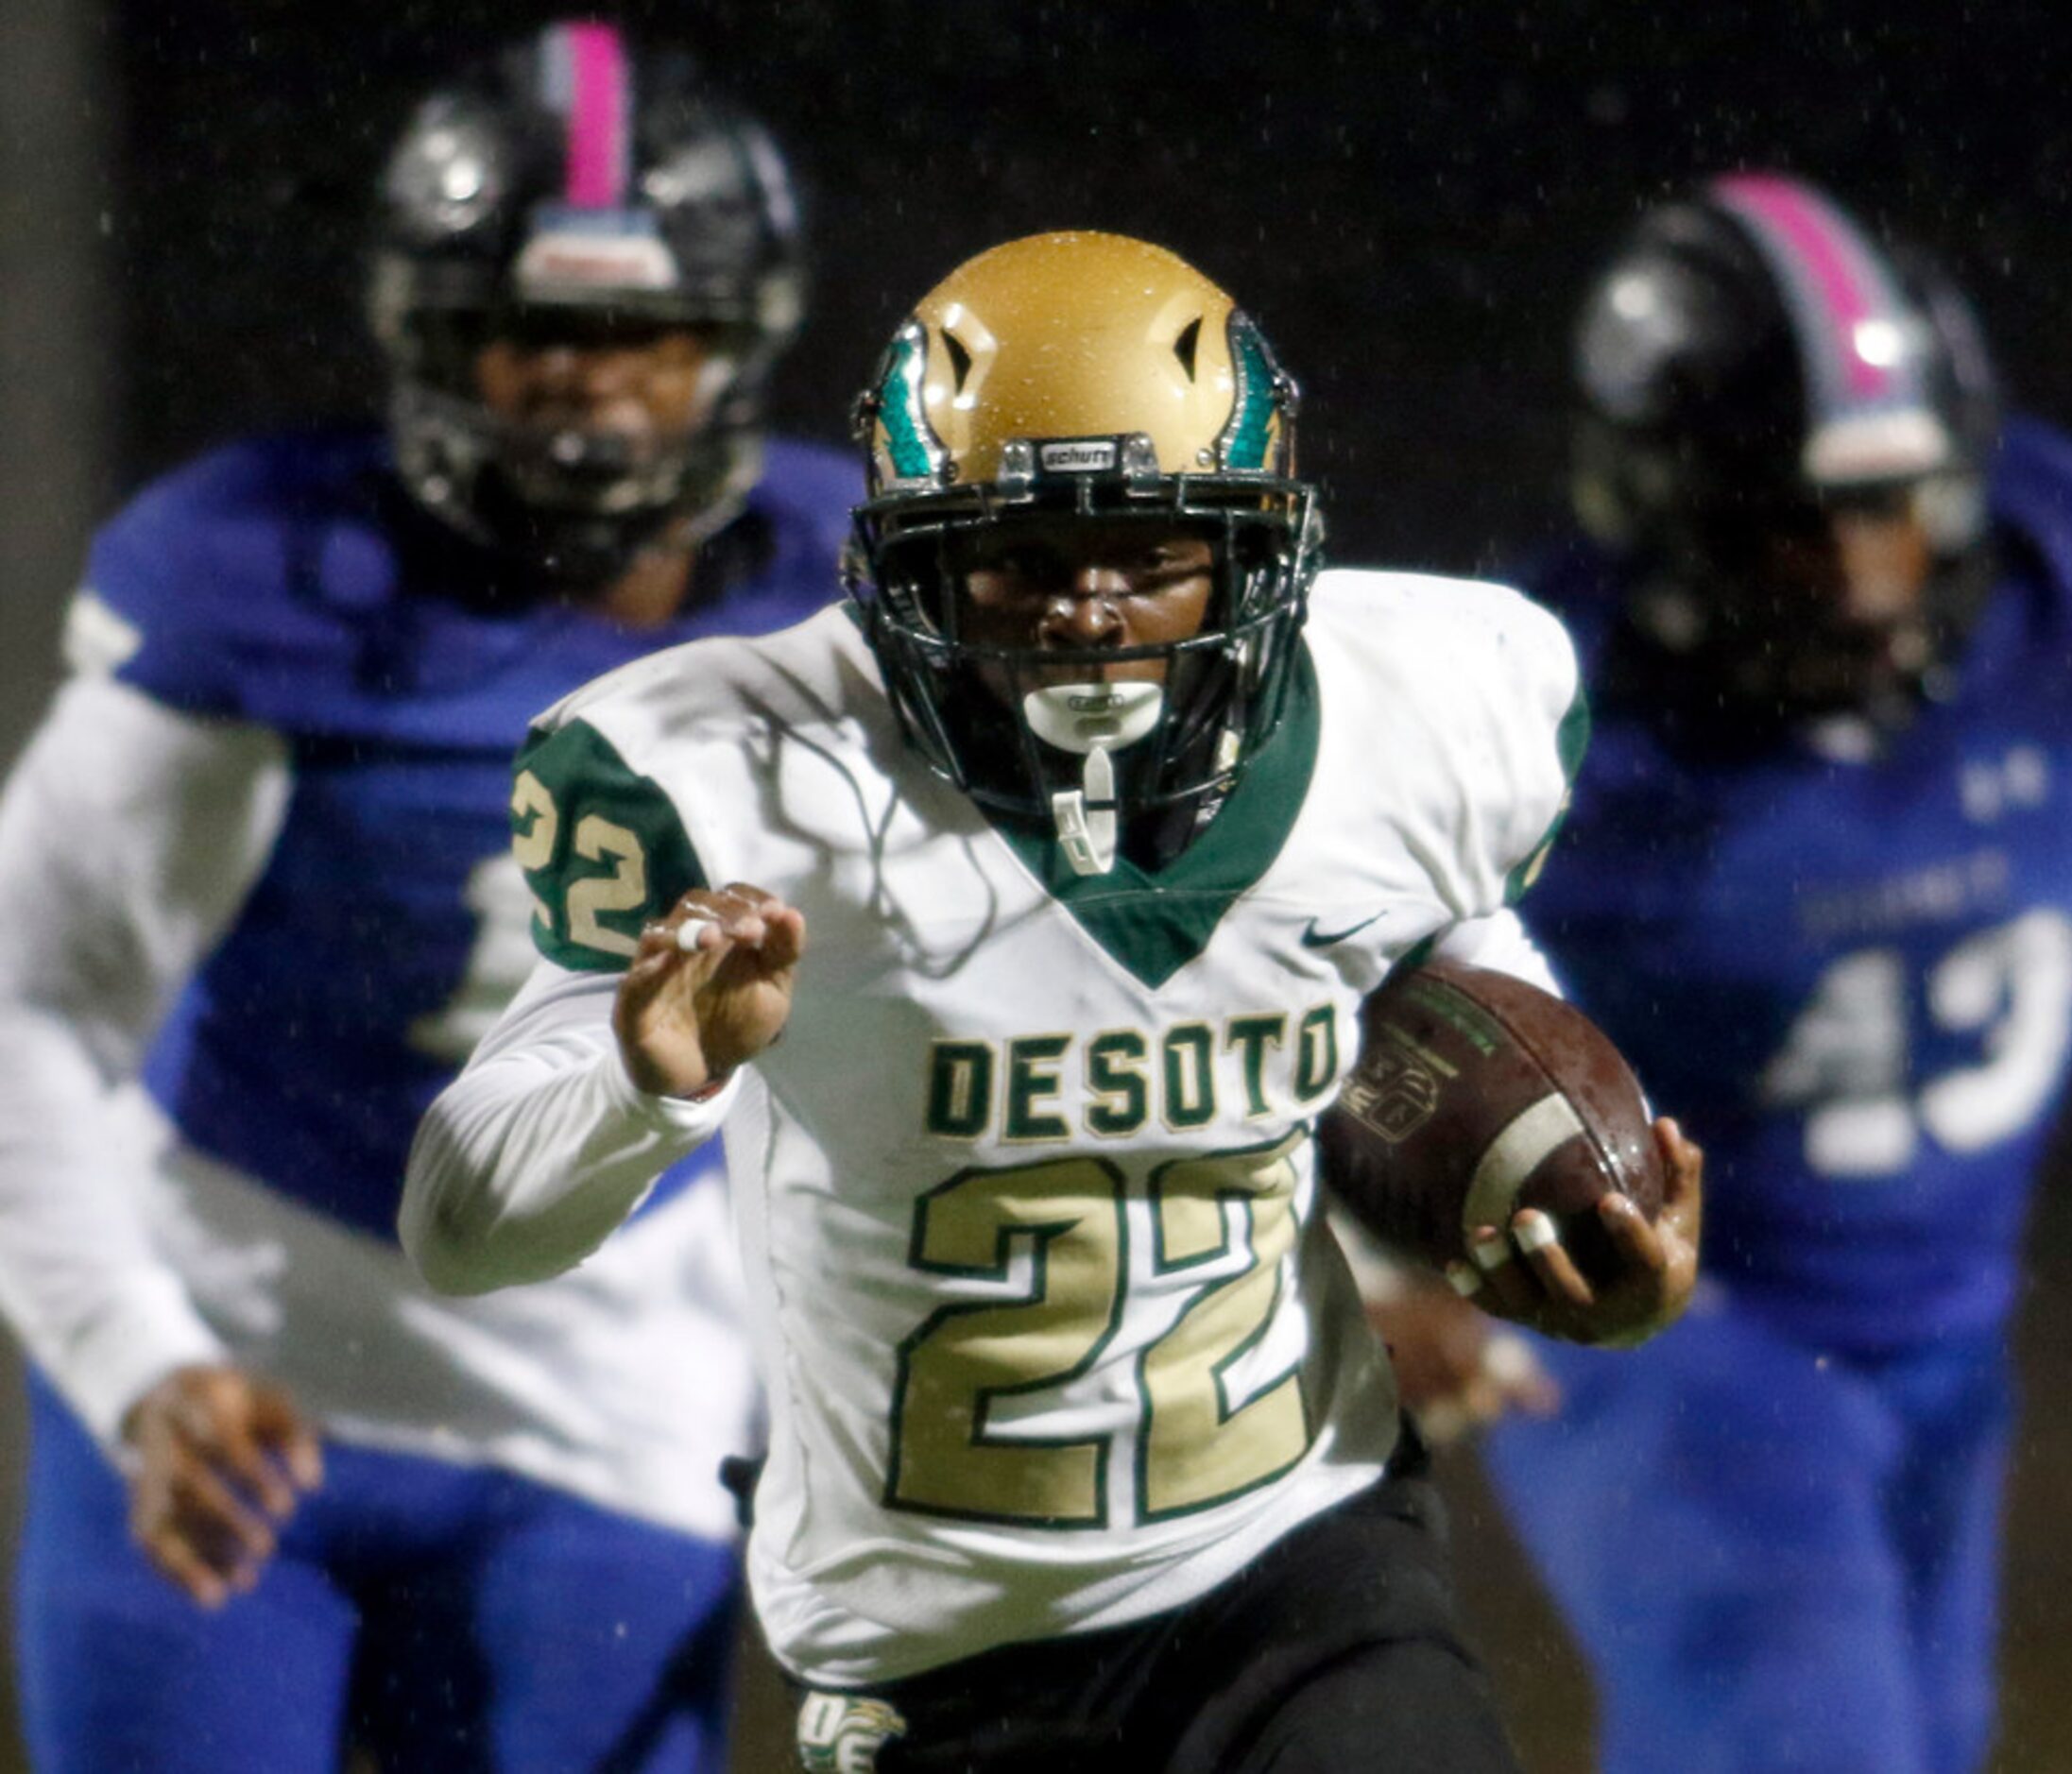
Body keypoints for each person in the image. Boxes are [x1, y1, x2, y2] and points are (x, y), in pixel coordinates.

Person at [400, 227, 1704, 1774]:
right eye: (1019, 558)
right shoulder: (741, 783)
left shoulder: (1422, 709)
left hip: (1301, 1560)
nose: (1088, 614)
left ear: (1256, 549)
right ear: (906, 562)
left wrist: (1550, 1194)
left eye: (1150, 552)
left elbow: (1427, 945)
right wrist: (642, 1088)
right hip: (938, 1648)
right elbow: (459, 1227)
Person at [0, 21, 858, 1771]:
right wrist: (130, 1359)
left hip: (610, 1407)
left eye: (642, 332)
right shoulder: (268, 580)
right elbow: (30, 1003)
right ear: (434, 336)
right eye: (533, 331)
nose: (588, 388)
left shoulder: (847, 604)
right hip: (238, 1355)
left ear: (739, 342)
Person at [1480, 171, 2072, 1774]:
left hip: (1946, 1324)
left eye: (1890, 505)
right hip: (1663, 1309)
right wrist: (1388, 1262)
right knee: (1796, 1728)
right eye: (1789, 522)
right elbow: (1296, 999)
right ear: (1658, 502)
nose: (1861, 573)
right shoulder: (1526, 707)